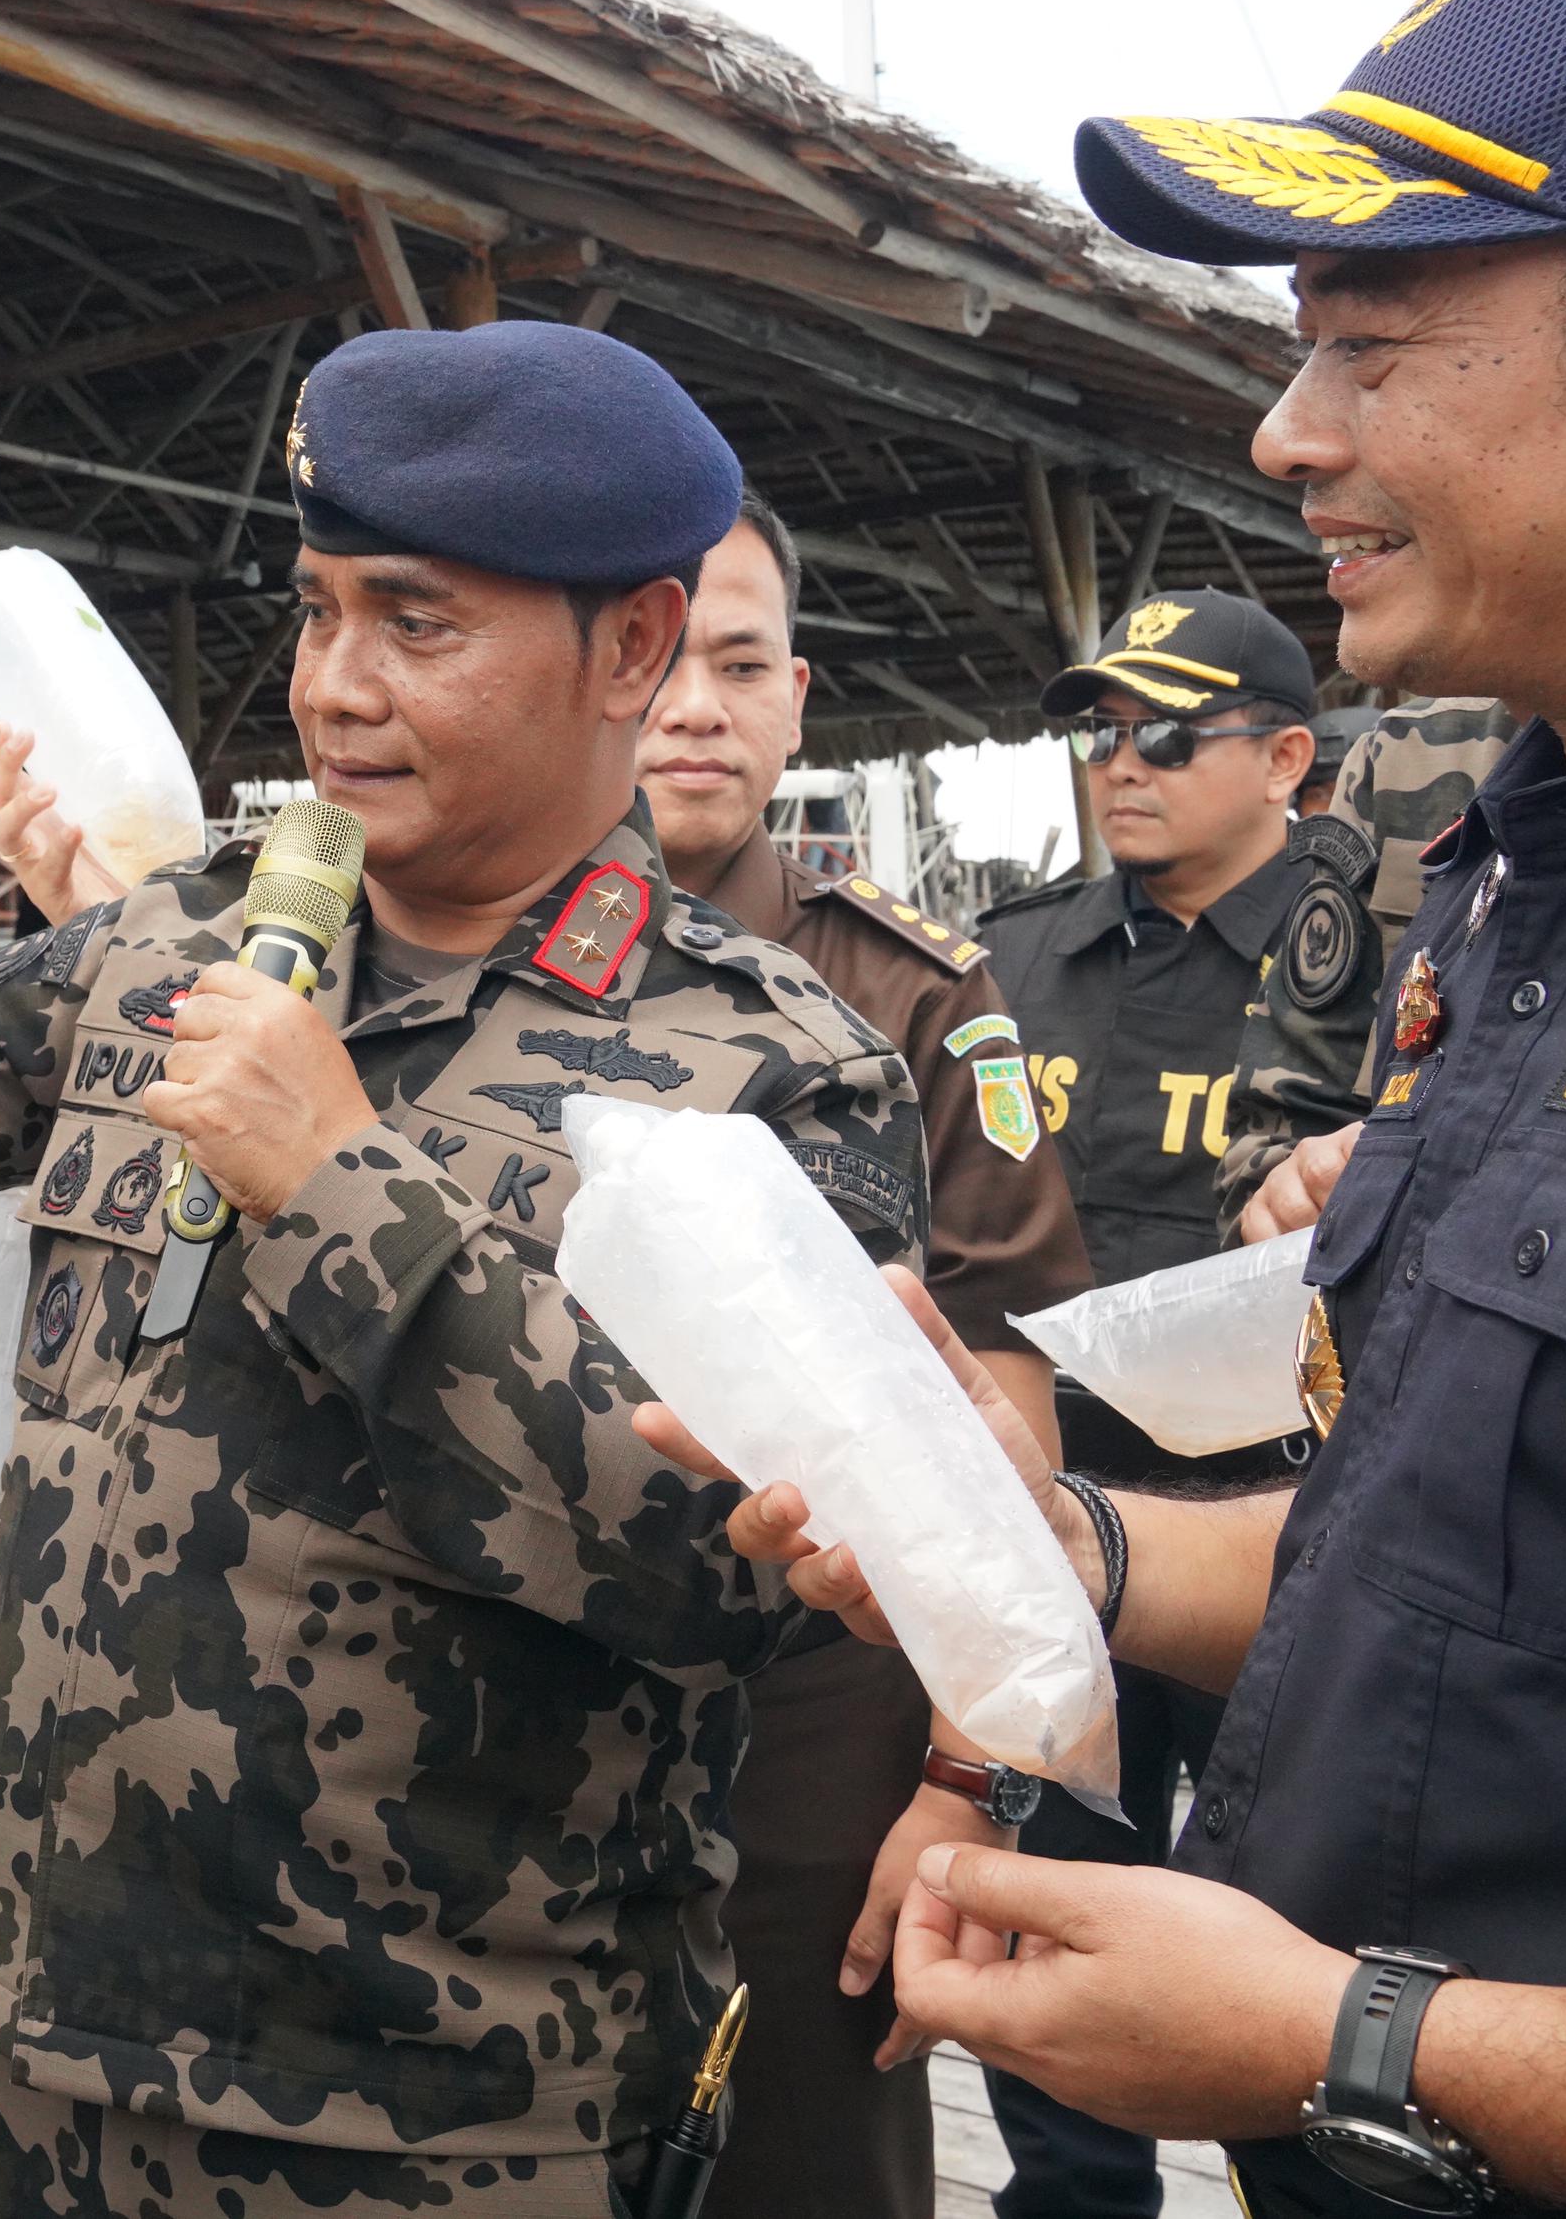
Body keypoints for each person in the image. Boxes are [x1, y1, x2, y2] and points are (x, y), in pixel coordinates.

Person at [685, 0, 1566, 2218]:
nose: (1288, 435)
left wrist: (1348, 2038)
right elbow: (1485, 1545)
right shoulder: (1544, 867)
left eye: (1366, 347)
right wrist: (1056, 1540)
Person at [0, 321, 929, 2219]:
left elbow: (731, 1574)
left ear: (631, 646)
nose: (335, 691)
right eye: (317, 613)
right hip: (23, 2051)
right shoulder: (173, 945)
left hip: (430, 2127)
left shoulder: (766, 1066)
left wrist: (343, 1188)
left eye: (417, 625)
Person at [635, 489, 1092, 2219]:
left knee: (800, 2164)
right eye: (662, 659)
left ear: (800, 698)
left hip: (804, 1746)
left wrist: (970, 1785)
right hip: (474, 1730)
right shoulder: (432, 983)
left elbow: (1011, 1436)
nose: (697, 705)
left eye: (741, 663)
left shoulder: (910, 1007)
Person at [966, 590, 1358, 2218]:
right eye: (1099, 732)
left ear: (1284, 757)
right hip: (1060, 1518)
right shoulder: (1012, 954)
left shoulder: (1389, 953)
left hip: (1290, 1539)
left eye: (1166, 733)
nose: (1121, 765)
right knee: (1047, 1910)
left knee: (1298, 1936)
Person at [1212, 697, 1528, 1233]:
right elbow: (1268, 1165)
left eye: (1167, 744)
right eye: (1312, 794)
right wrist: (1294, 1197)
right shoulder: (1407, 752)